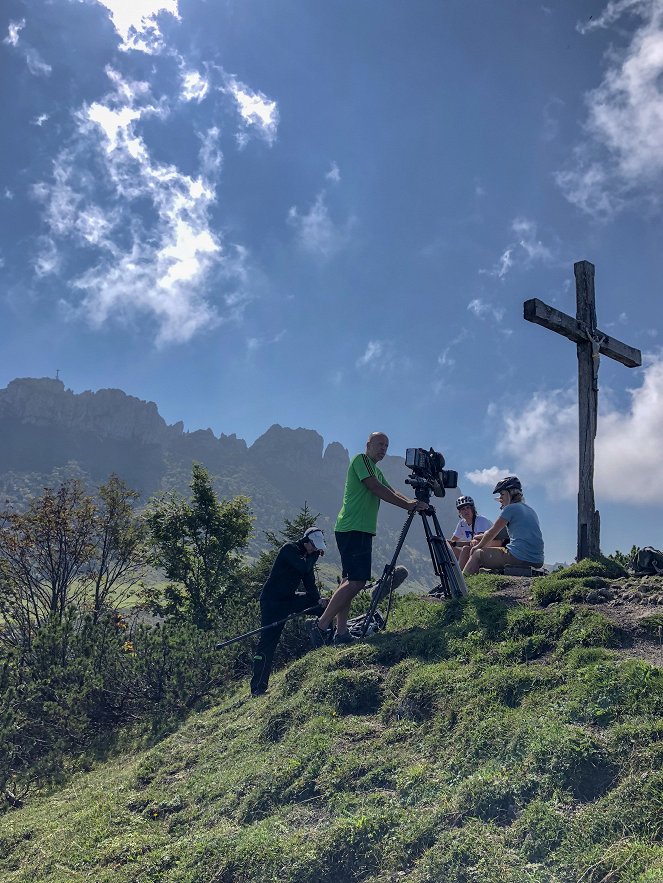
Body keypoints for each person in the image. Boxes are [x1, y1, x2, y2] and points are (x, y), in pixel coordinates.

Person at [310, 432, 428, 647]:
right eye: (379, 444)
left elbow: (391, 491)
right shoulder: (361, 460)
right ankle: (321, 626)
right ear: (368, 444)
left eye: (386, 445)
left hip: (358, 529)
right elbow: (375, 488)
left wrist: (412, 502)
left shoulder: (376, 469)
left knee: (348, 580)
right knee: (357, 581)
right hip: (353, 527)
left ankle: (341, 632)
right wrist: (408, 506)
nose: (383, 448)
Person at [250, 526, 329, 696]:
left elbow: (309, 583)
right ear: (306, 541)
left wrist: (318, 600)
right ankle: (258, 687)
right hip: (272, 602)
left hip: (288, 599)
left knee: (323, 607)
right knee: (268, 642)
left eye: (317, 547)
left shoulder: (308, 557)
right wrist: (314, 556)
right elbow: (302, 567)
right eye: (313, 546)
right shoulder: (289, 549)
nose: (315, 549)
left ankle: (327, 642)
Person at [462, 476, 544, 575]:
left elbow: (492, 533)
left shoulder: (510, 509)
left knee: (477, 554)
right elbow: (500, 534)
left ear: (511, 493)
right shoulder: (530, 510)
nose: (500, 499)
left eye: (502, 494)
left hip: (518, 557)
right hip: (538, 560)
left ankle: (462, 585)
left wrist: (476, 546)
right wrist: (478, 536)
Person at [448, 495, 493, 562]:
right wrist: (448, 543)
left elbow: (479, 541)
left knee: (473, 544)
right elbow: (453, 540)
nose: (466, 511)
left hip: (485, 549)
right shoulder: (461, 524)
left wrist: (457, 544)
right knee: (446, 545)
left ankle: (462, 571)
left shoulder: (481, 520)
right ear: (460, 512)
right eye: (463, 509)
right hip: (471, 549)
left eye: (468, 508)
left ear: (472, 509)